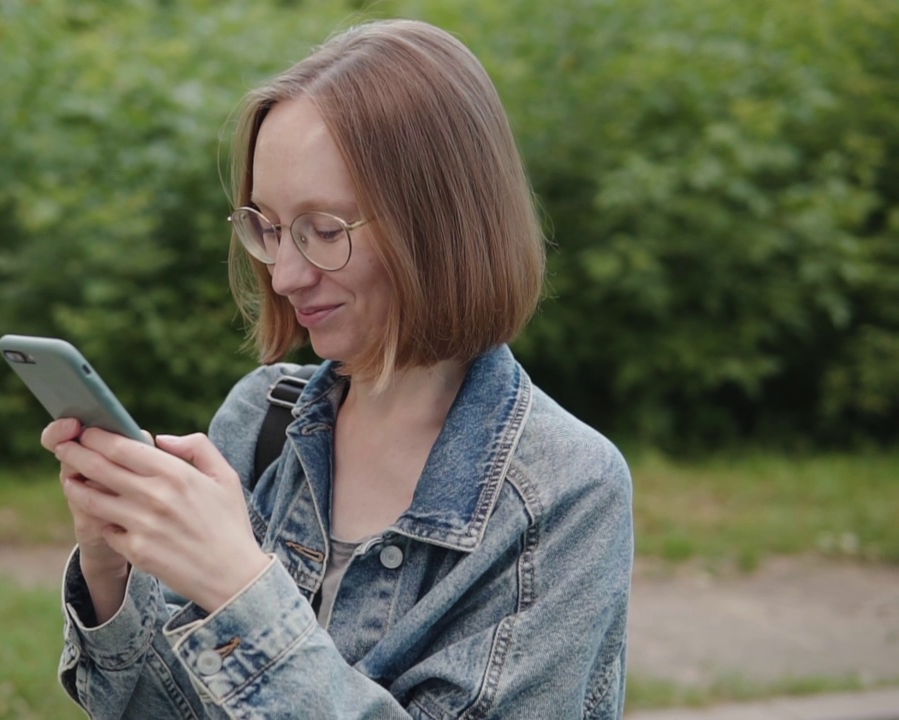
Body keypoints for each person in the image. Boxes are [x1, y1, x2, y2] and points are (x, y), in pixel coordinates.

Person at [41, 18, 633, 720]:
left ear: (438, 224)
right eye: (267, 227)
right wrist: (111, 569)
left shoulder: (567, 491)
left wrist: (242, 591)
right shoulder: (260, 421)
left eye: (324, 231)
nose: (286, 274)